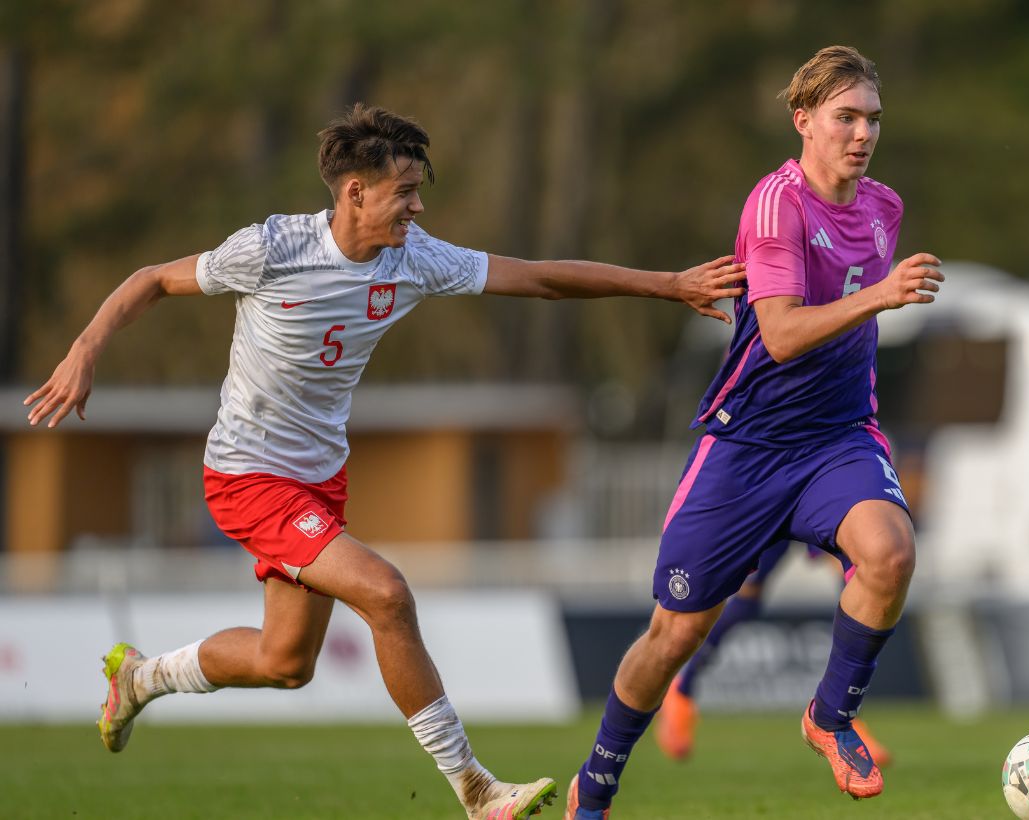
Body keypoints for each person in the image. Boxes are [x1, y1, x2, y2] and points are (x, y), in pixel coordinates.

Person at [23, 103, 745, 820]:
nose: (417, 205)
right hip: (247, 475)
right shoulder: (271, 249)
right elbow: (151, 278)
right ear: (355, 192)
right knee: (387, 593)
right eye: (405, 191)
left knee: (285, 662)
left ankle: (142, 678)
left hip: (318, 480)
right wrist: (84, 350)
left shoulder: (416, 257)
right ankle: (476, 790)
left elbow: (539, 278)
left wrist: (668, 284)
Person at [564, 45, 942, 818]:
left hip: (838, 436)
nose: (861, 133)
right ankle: (594, 787)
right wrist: (882, 297)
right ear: (803, 121)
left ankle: (829, 718)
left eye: (871, 118)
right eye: (845, 117)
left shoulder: (884, 207)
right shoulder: (776, 204)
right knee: (673, 636)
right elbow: (779, 336)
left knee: (891, 552)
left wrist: (879, 299)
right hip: (745, 446)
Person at [653, 541, 893, 767]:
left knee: (850, 568)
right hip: (771, 498)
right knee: (747, 597)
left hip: (815, 496)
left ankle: (842, 718)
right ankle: (682, 692)